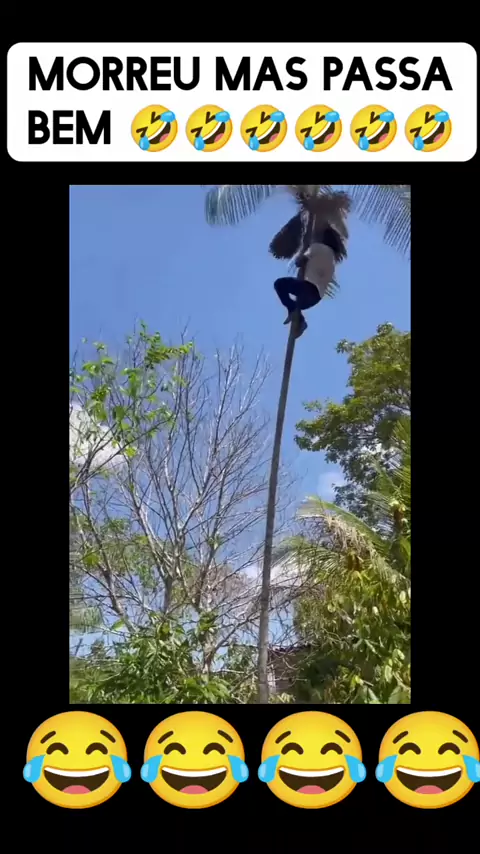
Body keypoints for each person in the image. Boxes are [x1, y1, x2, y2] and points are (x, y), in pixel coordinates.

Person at [274, 225, 343, 338]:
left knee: (279, 284)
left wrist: (302, 254)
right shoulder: (332, 259)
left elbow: (299, 262)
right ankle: (299, 319)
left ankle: (297, 317)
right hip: (315, 299)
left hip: (308, 288)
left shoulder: (317, 247)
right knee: (295, 306)